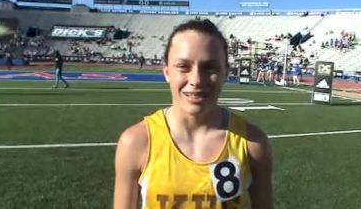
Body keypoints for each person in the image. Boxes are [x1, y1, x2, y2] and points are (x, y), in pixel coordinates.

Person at [114, 19, 273, 209]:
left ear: (225, 73)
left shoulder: (253, 142)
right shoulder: (136, 142)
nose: (196, 80)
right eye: (183, 66)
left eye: (210, 68)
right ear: (166, 72)